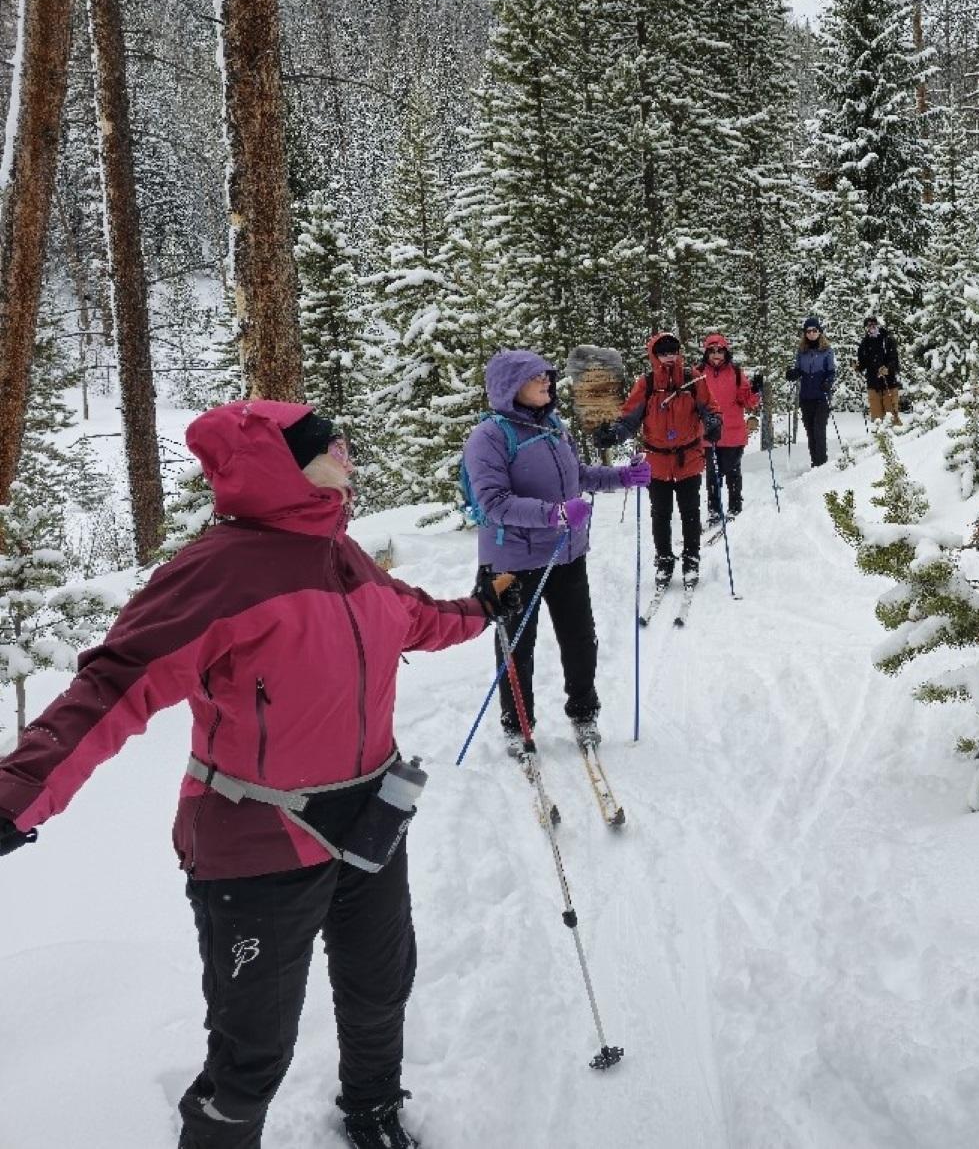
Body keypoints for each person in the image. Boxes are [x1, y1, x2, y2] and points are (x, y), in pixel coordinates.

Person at [0, 400, 516, 1149]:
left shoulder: (345, 556)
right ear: (289, 463)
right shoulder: (218, 570)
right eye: (331, 442)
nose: (347, 451)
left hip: (371, 819)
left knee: (379, 989)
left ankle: (373, 1113)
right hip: (259, 841)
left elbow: (416, 618)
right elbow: (114, 683)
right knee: (253, 1052)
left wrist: (482, 608)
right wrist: (17, 795)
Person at [463, 350, 651, 754]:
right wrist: (555, 514)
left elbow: (578, 476)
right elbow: (495, 503)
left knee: (580, 639)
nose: (548, 383)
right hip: (513, 563)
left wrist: (622, 476)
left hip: (566, 554)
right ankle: (517, 724)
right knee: (517, 646)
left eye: (548, 377)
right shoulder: (489, 437)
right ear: (511, 387)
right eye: (537, 379)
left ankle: (584, 713)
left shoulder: (553, 426)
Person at [605, 332, 722, 591]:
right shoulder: (646, 384)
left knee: (691, 513)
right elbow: (629, 419)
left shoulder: (694, 378)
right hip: (656, 462)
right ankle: (664, 560)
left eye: (673, 351)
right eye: (663, 352)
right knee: (660, 514)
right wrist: (613, 434)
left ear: (679, 353)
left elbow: (710, 408)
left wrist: (714, 423)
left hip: (688, 458)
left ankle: (691, 559)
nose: (669, 356)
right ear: (654, 355)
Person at [697, 332, 761, 525]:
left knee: (732, 472)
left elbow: (746, 401)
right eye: (712, 351)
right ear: (707, 353)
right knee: (713, 475)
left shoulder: (735, 372)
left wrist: (756, 391)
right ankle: (714, 510)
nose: (716, 355)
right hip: (709, 433)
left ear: (726, 353)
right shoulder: (698, 372)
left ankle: (735, 507)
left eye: (720, 351)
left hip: (733, 432)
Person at [786, 316, 836, 467]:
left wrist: (828, 382)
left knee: (818, 430)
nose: (811, 333)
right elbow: (798, 369)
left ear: (819, 332)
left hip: (821, 396)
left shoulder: (827, 350)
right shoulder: (802, 351)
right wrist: (793, 374)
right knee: (810, 431)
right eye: (808, 331)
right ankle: (815, 462)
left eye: (814, 330)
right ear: (805, 333)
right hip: (806, 396)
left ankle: (821, 463)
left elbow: (832, 372)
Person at [855, 315, 903, 427]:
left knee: (891, 416)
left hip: (889, 384)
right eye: (868, 325)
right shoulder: (864, 343)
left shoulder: (887, 340)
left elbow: (894, 360)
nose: (871, 327)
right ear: (866, 328)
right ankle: (879, 442)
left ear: (877, 325)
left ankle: (899, 441)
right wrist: (858, 367)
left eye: (873, 324)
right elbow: (863, 363)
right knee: (877, 419)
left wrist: (888, 368)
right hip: (873, 384)